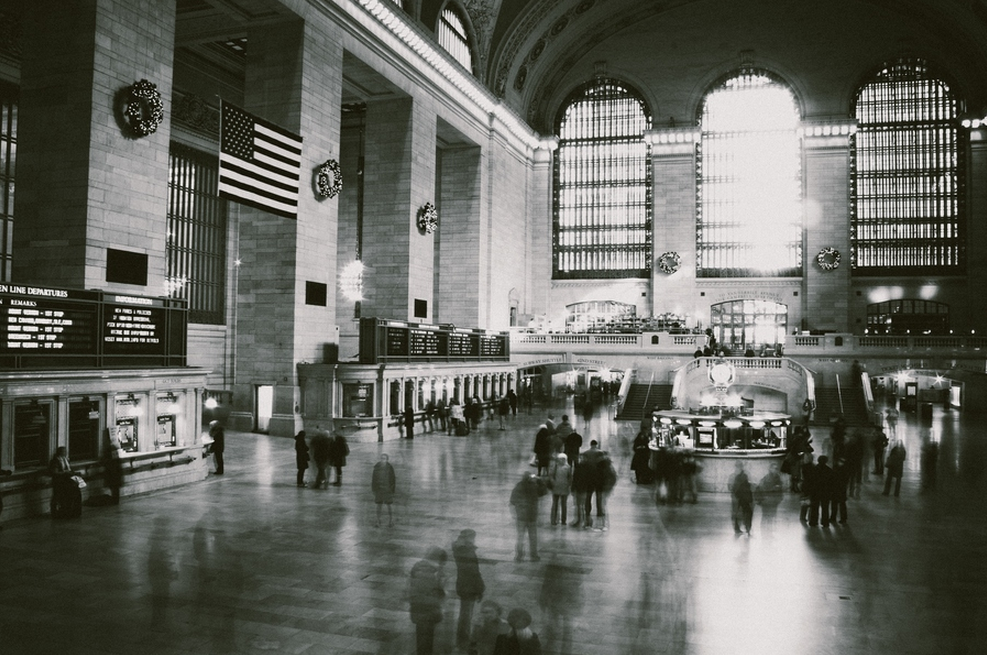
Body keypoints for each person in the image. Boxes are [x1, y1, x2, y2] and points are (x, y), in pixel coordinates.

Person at [408, 547, 447, 655]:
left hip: (423, 611)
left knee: (425, 641)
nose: (442, 566)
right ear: (438, 561)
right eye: (442, 563)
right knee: (424, 643)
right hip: (425, 612)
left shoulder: (422, 568)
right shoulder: (427, 574)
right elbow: (423, 595)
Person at [452, 529, 485, 650]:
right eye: (473, 538)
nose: (474, 540)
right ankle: (462, 642)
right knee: (466, 616)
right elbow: (474, 573)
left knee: (465, 615)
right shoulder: (467, 553)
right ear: (469, 538)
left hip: (463, 586)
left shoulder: (459, 549)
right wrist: (480, 588)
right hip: (469, 587)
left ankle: (462, 640)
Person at [510, 472, 547, 561]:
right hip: (531, 516)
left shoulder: (518, 487)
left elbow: (512, 500)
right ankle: (533, 556)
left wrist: (518, 508)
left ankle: (519, 555)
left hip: (521, 517)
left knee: (520, 536)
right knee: (533, 537)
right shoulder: (534, 487)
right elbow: (544, 491)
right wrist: (540, 480)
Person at [49, 446, 82, 518]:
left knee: (77, 490)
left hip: (67, 479)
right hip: (60, 480)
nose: (65, 453)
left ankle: (74, 511)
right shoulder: (56, 461)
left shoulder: (66, 459)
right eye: (64, 451)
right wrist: (65, 473)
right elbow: (55, 473)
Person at [755, 462, 784, 530]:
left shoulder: (778, 479)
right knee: (766, 517)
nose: (776, 470)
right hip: (767, 502)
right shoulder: (767, 478)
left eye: (777, 469)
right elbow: (762, 488)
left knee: (771, 517)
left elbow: (780, 490)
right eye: (775, 468)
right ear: (770, 469)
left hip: (774, 502)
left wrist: (779, 498)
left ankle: (769, 531)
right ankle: (765, 531)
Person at [371, 453, 396, 527]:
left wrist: (392, 490)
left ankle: (391, 521)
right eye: (382, 458)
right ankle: (378, 521)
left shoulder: (390, 468)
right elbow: (373, 479)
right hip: (379, 489)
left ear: (387, 460)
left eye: (384, 459)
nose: (383, 460)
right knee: (379, 505)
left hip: (387, 489)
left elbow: (393, 479)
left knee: (389, 505)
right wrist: (374, 489)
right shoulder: (376, 468)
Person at [810, 455, 835, 527]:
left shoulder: (814, 469)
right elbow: (832, 482)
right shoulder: (829, 470)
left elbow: (811, 481)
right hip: (825, 491)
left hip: (815, 491)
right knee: (825, 507)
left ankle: (813, 521)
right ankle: (825, 522)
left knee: (814, 507)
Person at [548, 453, 572, 526]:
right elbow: (551, 476)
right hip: (557, 487)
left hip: (564, 488)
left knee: (563, 505)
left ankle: (563, 520)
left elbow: (570, 477)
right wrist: (553, 482)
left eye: (563, 459)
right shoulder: (555, 466)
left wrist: (568, 484)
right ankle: (553, 520)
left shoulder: (568, 467)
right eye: (560, 459)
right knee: (555, 504)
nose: (562, 460)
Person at [729, 462, 753, 535]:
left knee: (739, 512)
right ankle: (745, 528)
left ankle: (740, 528)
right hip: (741, 497)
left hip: (740, 497)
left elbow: (731, 487)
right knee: (744, 512)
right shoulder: (743, 475)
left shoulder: (735, 476)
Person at [831, 457, 850, 524]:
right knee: (841, 504)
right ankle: (843, 518)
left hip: (836, 488)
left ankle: (833, 517)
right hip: (841, 488)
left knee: (835, 504)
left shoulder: (835, 468)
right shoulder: (845, 469)